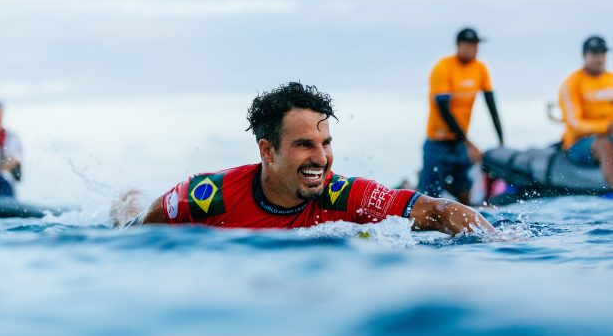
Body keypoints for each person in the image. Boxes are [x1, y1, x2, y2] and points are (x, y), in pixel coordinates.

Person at [116, 82, 495, 236]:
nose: (321, 158)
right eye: (304, 144)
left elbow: (440, 211)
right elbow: (133, 237)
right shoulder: (205, 194)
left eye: (325, 142)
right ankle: (129, 193)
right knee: (127, 211)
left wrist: (500, 244)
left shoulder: (345, 195)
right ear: (267, 150)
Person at [418, 27, 504, 205]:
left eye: (476, 45)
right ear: (458, 45)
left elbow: (491, 105)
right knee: (429, 196)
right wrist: (469, 143)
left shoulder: (480, 68)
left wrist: (501, 140)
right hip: (437, 142)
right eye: (469, 45)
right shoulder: (443, 67)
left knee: (465, 195)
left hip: (459, 144)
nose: (473, 49)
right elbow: (444, 112)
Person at [559, 35, 613, 187]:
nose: (600, 58)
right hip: (578, 144)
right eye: (595, 54)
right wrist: (606, 127)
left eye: (603, 53)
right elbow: (575, 124)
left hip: (610, 136)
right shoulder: (571, 84)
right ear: (584, 56)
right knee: (603, 145)